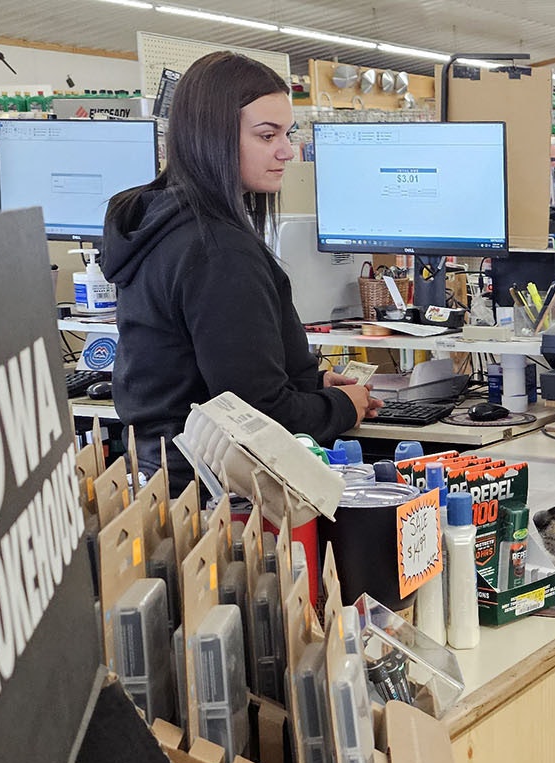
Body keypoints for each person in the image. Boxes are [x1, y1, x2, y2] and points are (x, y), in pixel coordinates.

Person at [102, 52, 379, 493]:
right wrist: (342, 407)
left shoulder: (165, 223)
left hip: (161, 477)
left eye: (287, 134)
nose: (287, 151)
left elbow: (200, 373)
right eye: (267, 135)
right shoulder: (218, 252)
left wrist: (314, 386)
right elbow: (258, 417)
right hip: (209, 493)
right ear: (212, 137)